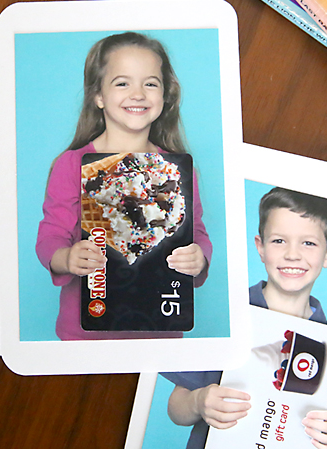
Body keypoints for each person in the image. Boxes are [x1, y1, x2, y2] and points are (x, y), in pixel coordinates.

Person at [35, 31, 212, 340]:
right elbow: (50, 236)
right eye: (122, 83)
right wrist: (67, 258)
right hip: (84, 335)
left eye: (150, 83)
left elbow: (197, 233)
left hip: (159, 334)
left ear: (165, 95)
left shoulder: (179, 168)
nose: (138, 94)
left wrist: (200, 259)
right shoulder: (71, 164)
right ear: (98, 96)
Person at [163, 187, 327, 449]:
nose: (293, 254)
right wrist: (199, 402)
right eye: (279, 241)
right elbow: (176, 407)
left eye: (309, 243)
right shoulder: (228, 318)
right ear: (260, 247)